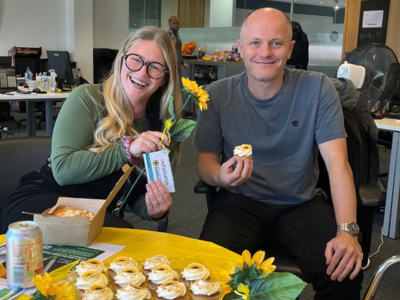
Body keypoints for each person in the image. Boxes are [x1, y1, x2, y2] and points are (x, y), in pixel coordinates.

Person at [192, 8, 362, 300]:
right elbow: (205, 161)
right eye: (255, 43)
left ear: (291, 48)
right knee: (208, 276)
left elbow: (338, 164)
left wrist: (348, 231)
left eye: (276, 43)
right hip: (239, 202)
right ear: (241, 48)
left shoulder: (317, 89)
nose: (265, 52)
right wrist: (219, 175)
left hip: (301, 204)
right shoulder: (217, 95)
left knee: (343, 273)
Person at [1, 26, 182, 233]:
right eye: (135, 59)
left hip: (97, 215)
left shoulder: (163, 127)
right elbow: (63, 170)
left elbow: (134, 196)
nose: (141, 72)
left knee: (124, 239)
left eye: (155, 67)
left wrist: (154, 209)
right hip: (48, 199)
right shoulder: (87, 98)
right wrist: (126, 151)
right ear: (121, 59)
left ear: (165, 78)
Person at [168, 16, 188, 80]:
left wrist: (182, 62)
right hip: (171, 66)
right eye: (174, 23)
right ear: (169, 24)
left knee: (179, 86)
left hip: (178, 65)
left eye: (177, 23)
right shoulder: (167, 35)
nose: (176, 25)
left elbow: (178, 50)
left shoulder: (177, 35)